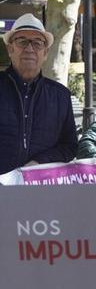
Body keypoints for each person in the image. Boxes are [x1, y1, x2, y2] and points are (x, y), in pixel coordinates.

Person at [1, 13, 77, 174]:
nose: (29, 49)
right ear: (10, 49)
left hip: (40, 185)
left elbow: (70, 147)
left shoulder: (60, 96)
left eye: (37, 43)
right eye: (22, 42)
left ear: (46, 52)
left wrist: (39, 162)